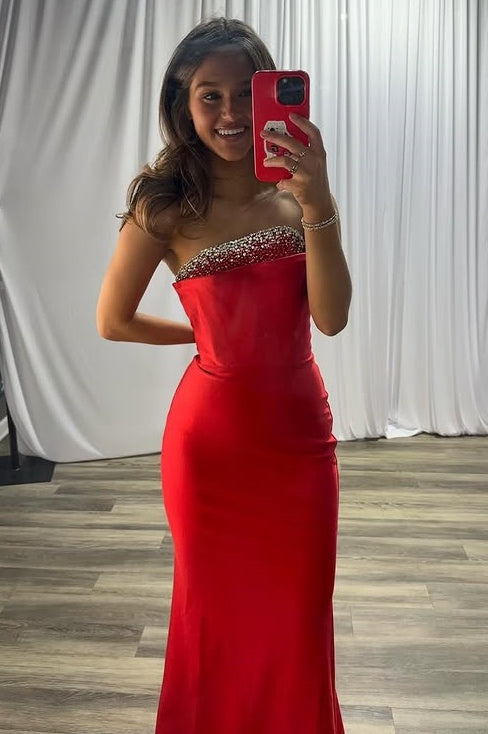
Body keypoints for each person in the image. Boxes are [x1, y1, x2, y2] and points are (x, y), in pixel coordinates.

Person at [96, 16, 351, 734]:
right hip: (210, 451)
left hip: (299, 444)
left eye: (246, 92)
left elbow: (331, 319)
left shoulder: (299, 194)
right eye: (210, 96)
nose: (232, 112)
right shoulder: (164, 205)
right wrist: (208, 335)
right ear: (184, 105)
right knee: (213, 622)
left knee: (298, 622)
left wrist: (319, 202)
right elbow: (112, 320)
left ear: (272, 94)